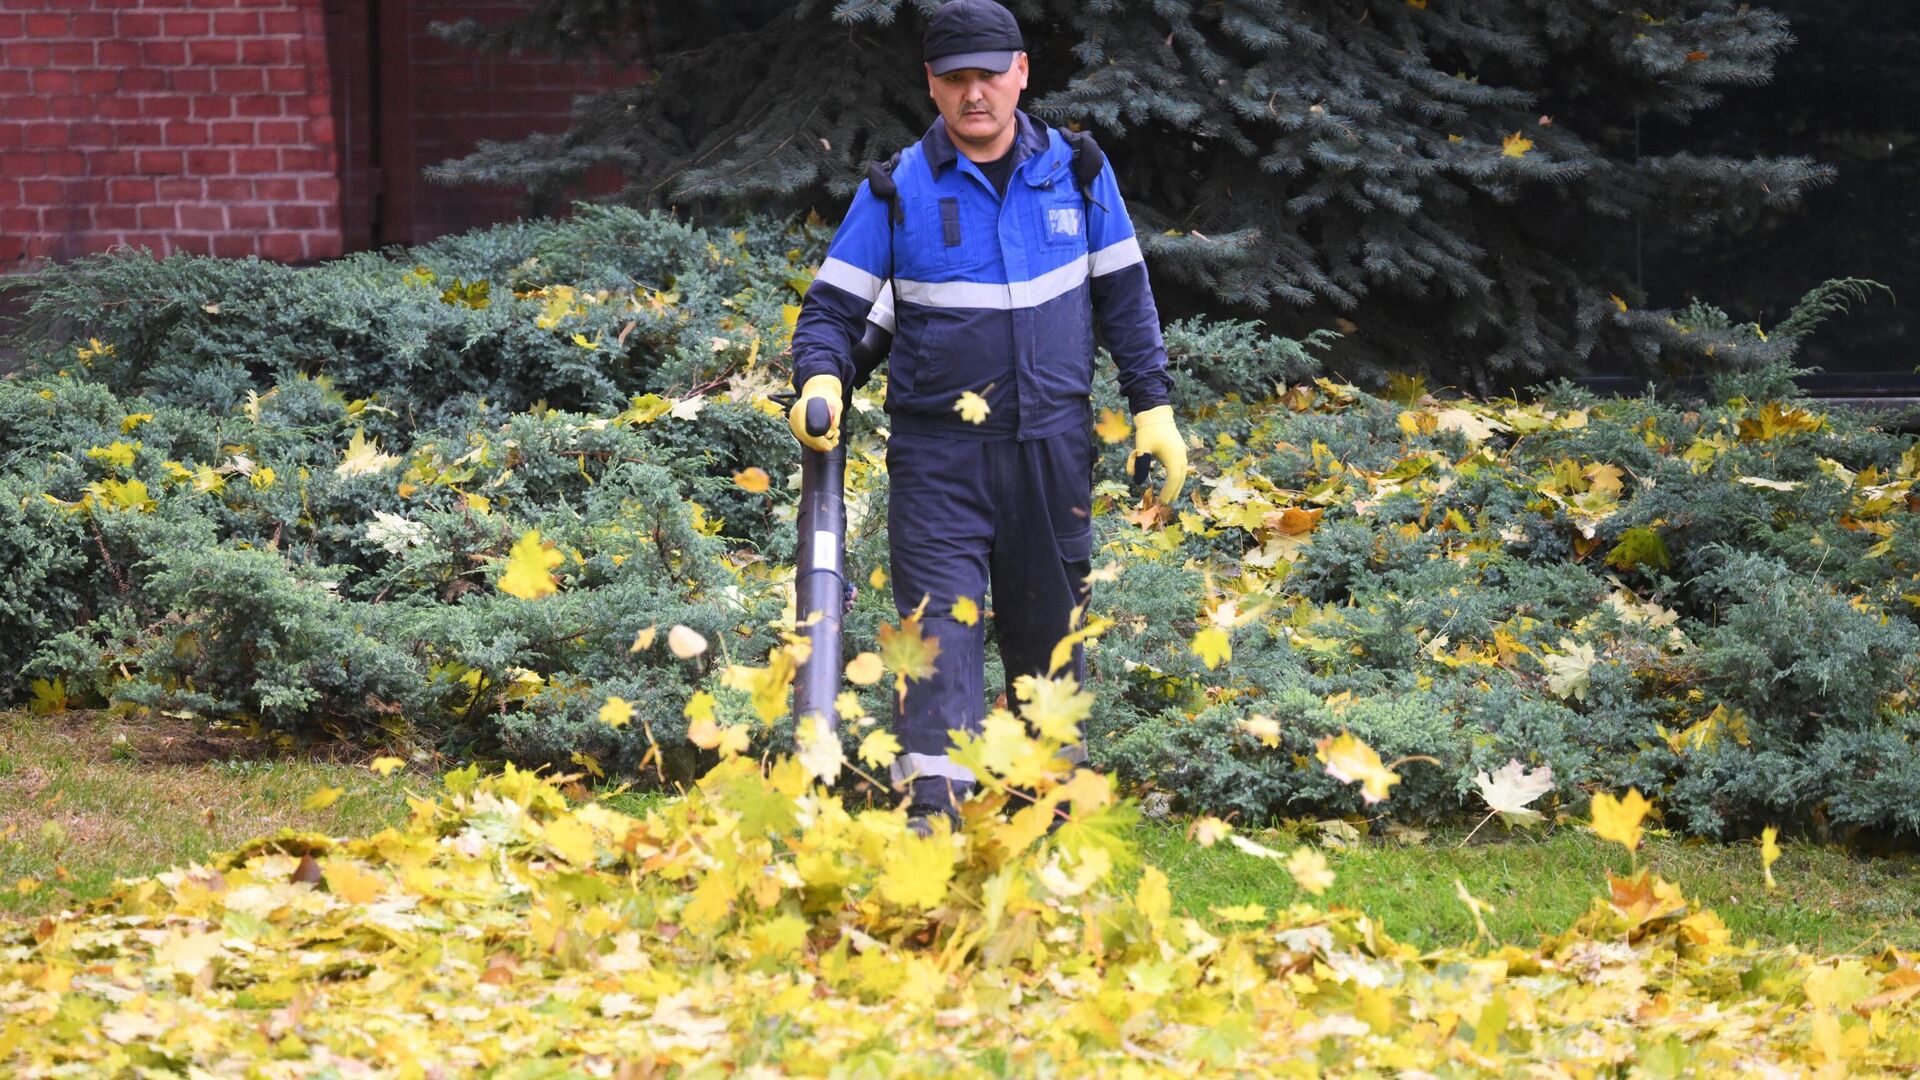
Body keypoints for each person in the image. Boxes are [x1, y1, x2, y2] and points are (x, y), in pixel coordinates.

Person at [787, 0, 1186, 833]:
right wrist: (820, 382)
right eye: (956, 79)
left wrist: (1154, 407)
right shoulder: (897, 190)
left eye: (990, 75)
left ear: (1021, 73)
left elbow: (1126, 298)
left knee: (1051, 642)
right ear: (931, 86)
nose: (976, 95)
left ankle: (1048, 819)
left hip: (1054, 452)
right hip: (941, 463)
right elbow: (831, 315)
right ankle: (935, 818)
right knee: (939, 646)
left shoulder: (1077, 173)